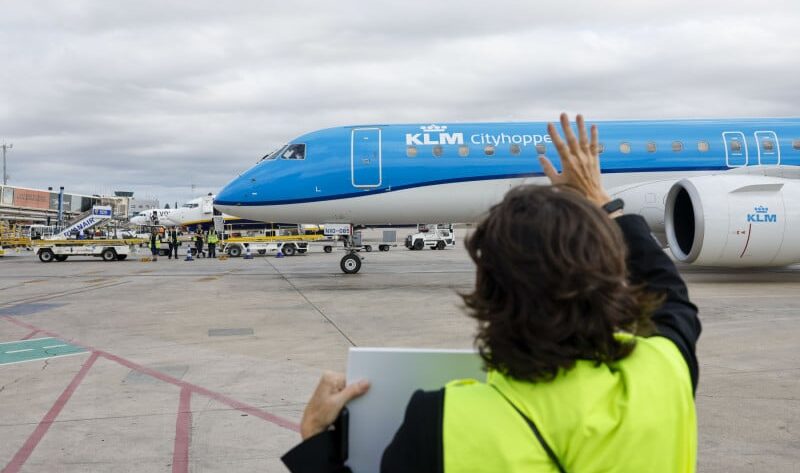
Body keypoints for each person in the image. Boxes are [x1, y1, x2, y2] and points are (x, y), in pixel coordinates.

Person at [282, 114, 701, 472]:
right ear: (610, 282)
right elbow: (671, 296)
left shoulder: (439, 422)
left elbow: (670, 298)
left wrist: (316, 439)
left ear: (485, 297)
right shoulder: (662, 376)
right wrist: (599, 200)